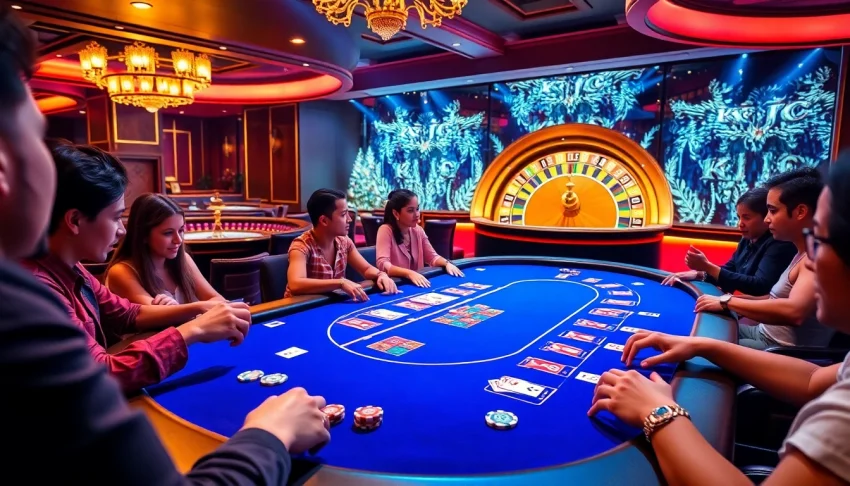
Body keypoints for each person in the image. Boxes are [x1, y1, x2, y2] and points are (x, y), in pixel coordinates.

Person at [0, 6, 328, 483]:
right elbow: (106, 371)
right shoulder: (22, 301)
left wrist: (199, 314)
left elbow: (128, 315)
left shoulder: (69, 273)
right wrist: (269, 433)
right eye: (35, 135)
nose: (119, 231)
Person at [589, 154, 850, 485]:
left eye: (820, 239)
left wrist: (659, 414)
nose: (811, 258)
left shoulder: (844, 416)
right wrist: (704, 345)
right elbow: (813, 380)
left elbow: (790, 311)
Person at [22, 143, 249, 392]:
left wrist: (201, 308)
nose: (122, 230)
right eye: (116, 217)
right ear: (75, 220)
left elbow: (128, 313)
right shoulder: (37, 288)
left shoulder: (72, 267)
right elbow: (102, 375)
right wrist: (195, 329)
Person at [693, 168, 831, 349]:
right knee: (694, 327)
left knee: (701, 346)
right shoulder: (800, 253)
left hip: (780, 350)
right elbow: (773, 300)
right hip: (761, 332)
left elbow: (794, 312)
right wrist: (724, 300)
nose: (767, 219)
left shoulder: (814, 258)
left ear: (800, 212)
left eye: (773, 211)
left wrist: (728, 302)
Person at [662, 187, 796, 296]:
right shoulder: (747, 238)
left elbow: (759, 286)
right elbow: (731, 269)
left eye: (746, 218)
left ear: (766, 217)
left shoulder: (779, 243)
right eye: (739, 217)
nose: (740, 224)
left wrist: (707, 266)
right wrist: (700, 274)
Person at [106, 193, 225, 305]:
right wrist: (200, 308)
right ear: (143, 235)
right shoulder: (121, 271)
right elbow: (158, 315)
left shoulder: (184, 259)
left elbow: (218, 300)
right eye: (168, 233)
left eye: (181, 230)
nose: (178, 240)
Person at [285, 188, 398, 300]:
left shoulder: (344, 241)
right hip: (298, 308)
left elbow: (366, 269)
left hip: (328, 304)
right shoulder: (301, 246)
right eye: (343, 215)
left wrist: (381, 275)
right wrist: (340, 283)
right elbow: (296, 284)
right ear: (324, 220)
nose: (349, 219)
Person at [376, 189, 464, 287]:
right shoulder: (385, 230)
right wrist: (409, 273)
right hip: (395, 286)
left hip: (417, 284)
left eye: (417, 209)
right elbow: (384, 265)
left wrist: (447, 263)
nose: (417, 214)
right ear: (396, 213)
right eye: (410, 210)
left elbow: (432, 257)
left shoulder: (418, 230)